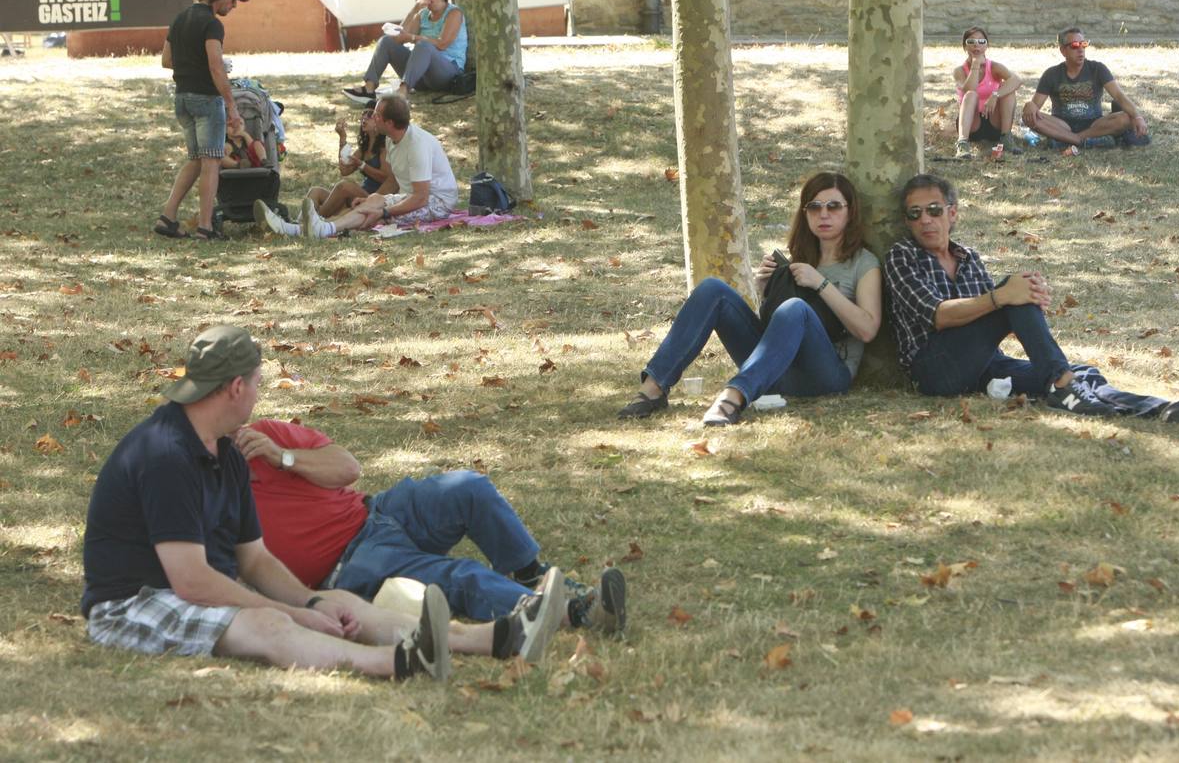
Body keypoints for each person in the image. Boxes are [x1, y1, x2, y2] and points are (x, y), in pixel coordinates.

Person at [80, 325, 567, 680]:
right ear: (235, 387)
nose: (257, 394)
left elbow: (254, 557)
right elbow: (191, 580)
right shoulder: (166, 455)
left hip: (194, 591)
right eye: (257, 384)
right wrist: (292, 612)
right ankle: (399, 663)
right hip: (134, 604)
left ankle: (491, 638)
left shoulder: (225, 451)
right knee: (268, 621)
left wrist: (312, 603)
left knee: (339, 602)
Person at [883, 174, 1179, 424]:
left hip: (987, 369)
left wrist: (1021, 301)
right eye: (915, 214)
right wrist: (1008, 297)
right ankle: (1063, 385)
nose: (925, 220)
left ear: (953, 213)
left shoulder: (968, 257)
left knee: (1084, 373)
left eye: (934, 210)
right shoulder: (902, 256)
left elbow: (990, 318)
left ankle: (1167, 411)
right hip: (935, 371)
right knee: (1013, 292)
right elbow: (939, 316)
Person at [233, 417, 627, 639]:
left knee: (468, 488)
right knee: (459, 576)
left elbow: (348, 469)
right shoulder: (207, 499)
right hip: (351, 563)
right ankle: (575, 613)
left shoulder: (263, 434)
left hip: (378, 511)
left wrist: (281, 456)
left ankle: (530, 574)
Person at [618, 172, 883, 426]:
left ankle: (734, 396)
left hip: (825, 376)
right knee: (712, 289)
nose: (824, 214)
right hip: (774, 372)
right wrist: (763, 288)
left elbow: (868, 330)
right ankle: (653, 388)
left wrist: (821, 283)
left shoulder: (863, 263)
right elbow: (774, 337)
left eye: (834, 206)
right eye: (814, 206)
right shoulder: (797, 259)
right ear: (805, 213)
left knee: (796, 308)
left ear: (850, 212)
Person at [256, 95, 458, 238]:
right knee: (373, 202)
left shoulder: (417, 145)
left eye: (376, 115)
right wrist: (376, 201)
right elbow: (395, 183)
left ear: (389, 122)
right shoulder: (391, 139)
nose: (371, 117)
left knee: (374, 207)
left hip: (437, 202)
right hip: (412, 197)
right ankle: (307, 228)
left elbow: (421, 197)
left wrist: (386, 212)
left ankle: (310, 229)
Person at [153, 0, 247, 242]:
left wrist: (192, 63)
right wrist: (232, 106)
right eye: (233, 0)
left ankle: (167, 217)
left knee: (195, 160)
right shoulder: (212, 24)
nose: (235, 6)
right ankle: (206, 227)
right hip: (206, 99)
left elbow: (166, 60)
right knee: (211, 162)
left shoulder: (180, 18)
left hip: (182, 99)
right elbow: (216, 66)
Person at [252, 102, 387, 234]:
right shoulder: (364, 148)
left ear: (378, 121)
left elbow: (385, 177)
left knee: (344, 186)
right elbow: (344, 170)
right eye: (363, 115)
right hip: (358, 196)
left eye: (369, 115)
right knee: (315, 191)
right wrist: (342, 138)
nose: (364, 118)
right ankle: (298, 223)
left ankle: (309, 223)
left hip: (373, 198)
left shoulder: (384, 149)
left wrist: (362, 165)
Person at [342, 0, 467, 102]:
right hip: (420, 76)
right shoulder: (422, 14)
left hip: (447, 73)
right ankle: (369, 88)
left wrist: (413, 37)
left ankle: (402, 92)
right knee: (386, 41)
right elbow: (398, 37)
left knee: (424, 45)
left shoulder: (454, 13)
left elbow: (442, 44)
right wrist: (414, 10)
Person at [1022, 26, 1150, 149]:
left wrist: (1138, 117)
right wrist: (1029, 105)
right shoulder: (1051, 73)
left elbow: (1119, 96)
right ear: (1063, 51)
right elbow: (1034, 108)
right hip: (1062, 125)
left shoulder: (1098, 69)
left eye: (1083, 44)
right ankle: (1084, 141)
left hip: (1094, 125)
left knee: (1126, 118)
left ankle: (1070, 140)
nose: (1080, 49)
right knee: (1029, 117)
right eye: (1074, 46)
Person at [953, 27, 1023, 159]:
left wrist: (995, 95)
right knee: (971, 95)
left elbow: (1017, 80)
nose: (976, 44)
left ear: (987, 46)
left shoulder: (995, 67)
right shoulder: (959, 71)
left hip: (994, 121)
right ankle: (962, 144)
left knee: (1008, 91)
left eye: (981, 41)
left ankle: (1006, 138)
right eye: (971, 41)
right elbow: (969, 89)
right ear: (964, 47)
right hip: (971, 125)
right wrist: (975, 65)